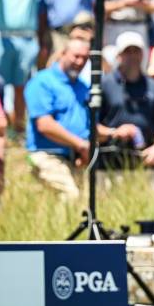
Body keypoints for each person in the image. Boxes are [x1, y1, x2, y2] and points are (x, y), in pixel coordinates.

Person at [24, 38, 90, 200]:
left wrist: (113, 133)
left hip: (76, 157)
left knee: (87, 202)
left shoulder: (83, 87)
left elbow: (88, 124)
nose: (80, 62)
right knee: (70, 195)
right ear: (62, 54)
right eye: (76, 56)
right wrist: (80, 144)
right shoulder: (42, 82)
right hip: (46, 155)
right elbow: (45, 125)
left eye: (84, 58)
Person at [98, 31, 154, 168]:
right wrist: (114, 132)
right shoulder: (105, 84)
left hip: (146, 161)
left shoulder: (153, 86)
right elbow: (92, 127)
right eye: (127, 52)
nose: (132, 56)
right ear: (118, 56)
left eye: (136, 51)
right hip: (110, 162)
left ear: (142, 54)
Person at [0, 0, 47, 132]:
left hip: (27, 38)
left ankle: (18, 129)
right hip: (4, 38)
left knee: (21, 86)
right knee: (0, 85)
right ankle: (2, 129)